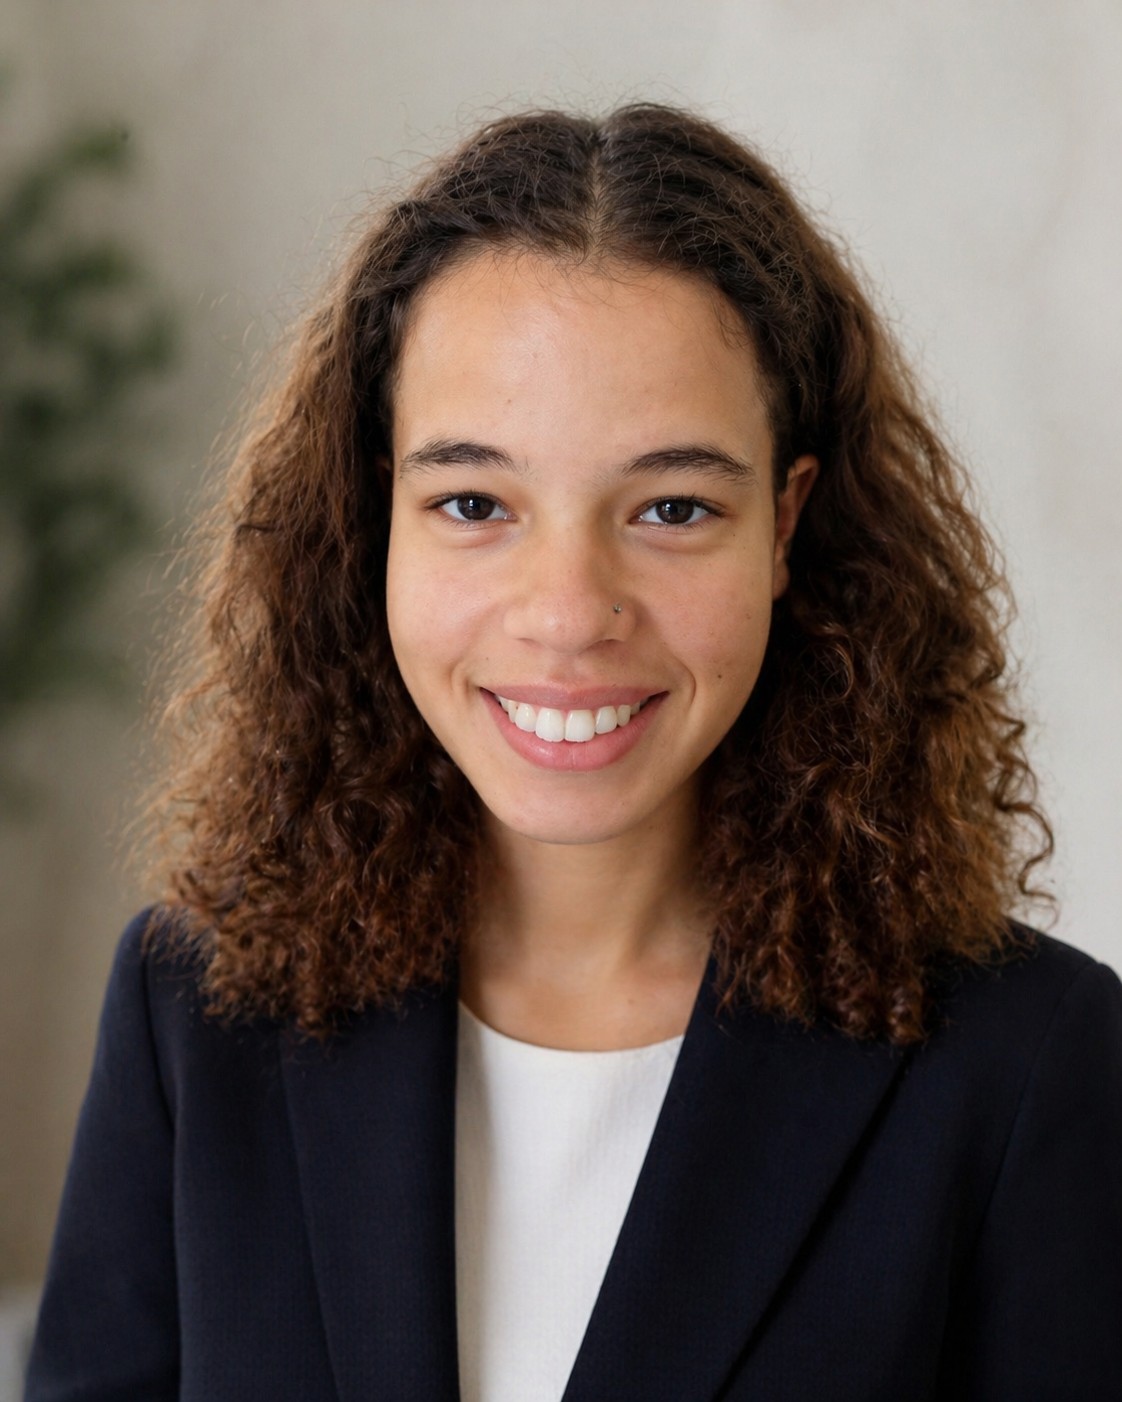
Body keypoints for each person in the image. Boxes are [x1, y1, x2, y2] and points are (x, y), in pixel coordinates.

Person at [26, 104, 1122, 1401]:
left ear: (784, 526)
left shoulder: (1026, 1062)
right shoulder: (193, 1013)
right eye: (472, 502)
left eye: (672, 508)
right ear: (375, 515)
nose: (566, 612)